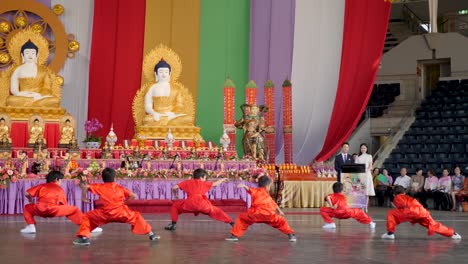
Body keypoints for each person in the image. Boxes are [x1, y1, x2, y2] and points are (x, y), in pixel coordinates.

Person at [73, 168, 159, 245]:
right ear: (115, 178)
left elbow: (85, 187)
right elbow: (133, 196)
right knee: (137, 216)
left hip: (104, 214)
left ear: (103, 178)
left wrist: (83, 198)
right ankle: (151, 234)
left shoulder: (99, 187)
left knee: (87, 217)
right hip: (121, 213)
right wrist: (125, 203)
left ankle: (84, 238)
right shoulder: (120, 188)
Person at [20, 171, 102, 234]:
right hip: (53, 210)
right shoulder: (59, 189)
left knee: (27, 208)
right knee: (74, 210)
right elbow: (63, 204)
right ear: (56, 180)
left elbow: (26, 193)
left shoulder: (41, 185)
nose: (61, 182)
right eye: (60, 180)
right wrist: (65, 211)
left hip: (39, 209)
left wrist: (30, 200)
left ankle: (31, 227)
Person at [226, 176, 296, 242]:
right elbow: (273, 204)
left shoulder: (257, 191)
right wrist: (280, 212)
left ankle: (234, 236)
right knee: (281, 221)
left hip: (255, 215)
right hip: (269, 215)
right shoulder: (266, 194)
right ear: (267, 186)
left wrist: (244, 186)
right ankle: (291, 235)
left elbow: (249, 189)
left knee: (242, 218)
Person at [381, 185, 461, 240]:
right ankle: (453, 234)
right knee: (434, 224)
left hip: (411, 211)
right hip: (422, 212)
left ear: (395, 194)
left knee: (391, 213)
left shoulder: (398, 197)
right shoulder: (409, 198)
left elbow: (402, 206)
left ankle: (390, 233)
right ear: (404, 192)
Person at [164, 168, 233, 231]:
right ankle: (231, 222)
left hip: (189, 204)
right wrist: (223, 179)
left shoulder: (187, 182)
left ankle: (173, 224)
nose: (205, 179)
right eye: (205, 178)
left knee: (175, 206)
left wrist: (176, 195)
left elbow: (174, 188)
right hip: (203, 205)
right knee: (217, 211)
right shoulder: (203, 183)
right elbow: (215, 184)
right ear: (201, 177)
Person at [8, 39, 60, 107]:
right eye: (27, 53)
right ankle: (35, 104)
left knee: (55, 100)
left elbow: (47, 88)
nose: (30, 55)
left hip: (39, 97)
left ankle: (31, 104)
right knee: (10, 100)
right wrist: (23, 94)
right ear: (22, 55)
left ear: (37, 55)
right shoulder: (17, 70)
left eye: (33, 53)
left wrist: (39, 95)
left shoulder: (43, 70)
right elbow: (14, 90)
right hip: (23, 96)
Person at [355, 143, 375, 210]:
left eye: (364, 148)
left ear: (366, 149)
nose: (363, 149)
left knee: (367, 191)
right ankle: (361, 205)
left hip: (367, 174)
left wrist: (367, 170)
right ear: (360, 149)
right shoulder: (358, 157)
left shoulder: (369, 156)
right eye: (362, 148)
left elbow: (370, 166)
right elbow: (356, 167)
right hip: (360, 175)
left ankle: (366, 206)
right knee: (361, 190)